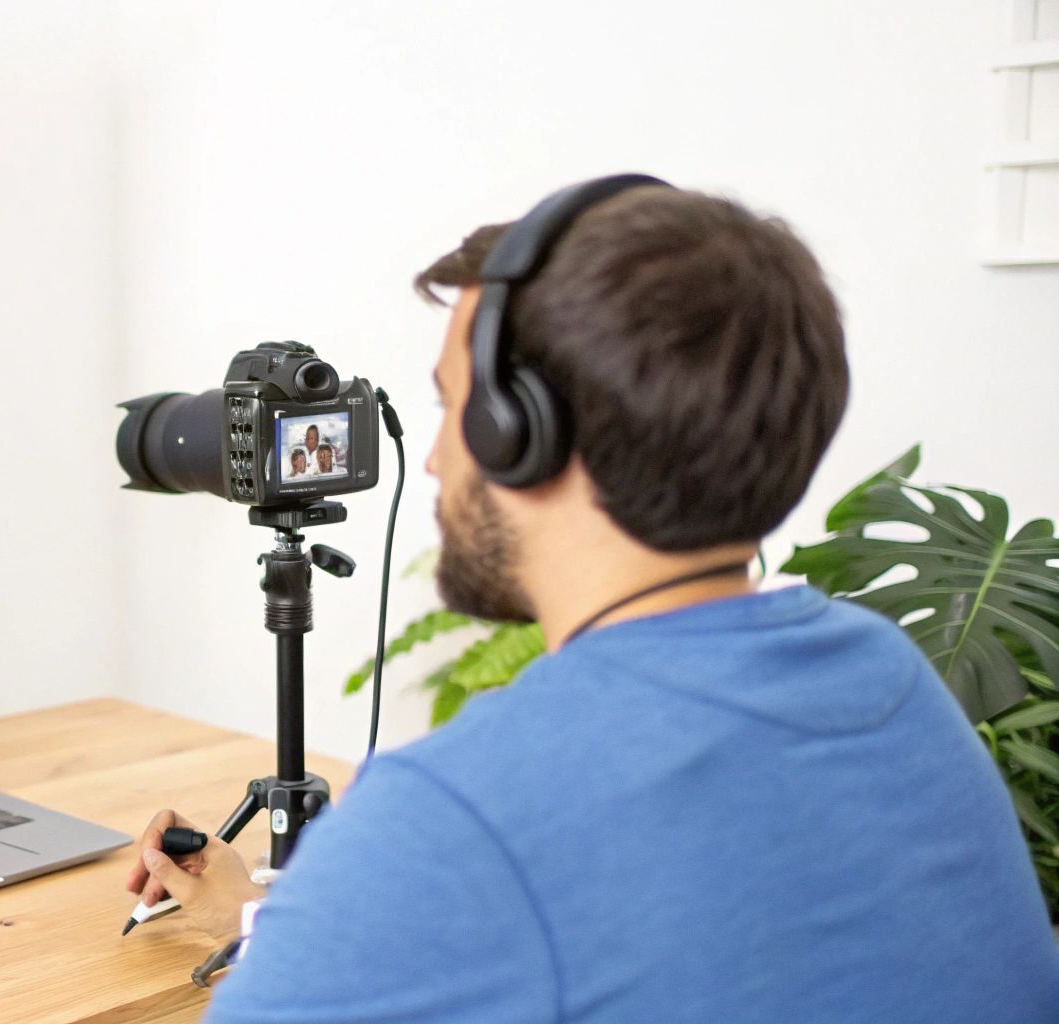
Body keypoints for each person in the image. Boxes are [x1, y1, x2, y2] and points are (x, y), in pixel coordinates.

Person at [123, 181, 1059, 1022]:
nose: (441, 459)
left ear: (524, 431)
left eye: (454, 407)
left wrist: (341, 908)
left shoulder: (457, 810)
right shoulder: (889, 680)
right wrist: (281, 926)